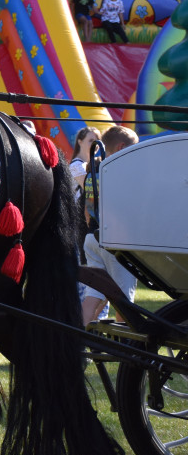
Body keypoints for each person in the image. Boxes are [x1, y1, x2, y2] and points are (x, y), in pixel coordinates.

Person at [81, 125, 139, 326]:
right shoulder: (118, 172)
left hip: (92, 237)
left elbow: (87, 212)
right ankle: (126, 351)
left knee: (92, 295)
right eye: (134, 150)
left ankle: (76, 345)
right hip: (115, 241)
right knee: (124, 300)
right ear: (122, 147)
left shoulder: (92, 171)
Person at [68, 125, 101, 206]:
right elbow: (93, 191)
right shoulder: (76, 166)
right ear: (80, 142)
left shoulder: (92, 163)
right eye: (91, 140)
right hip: (78, 214)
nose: (95, 144)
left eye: (97, 141)